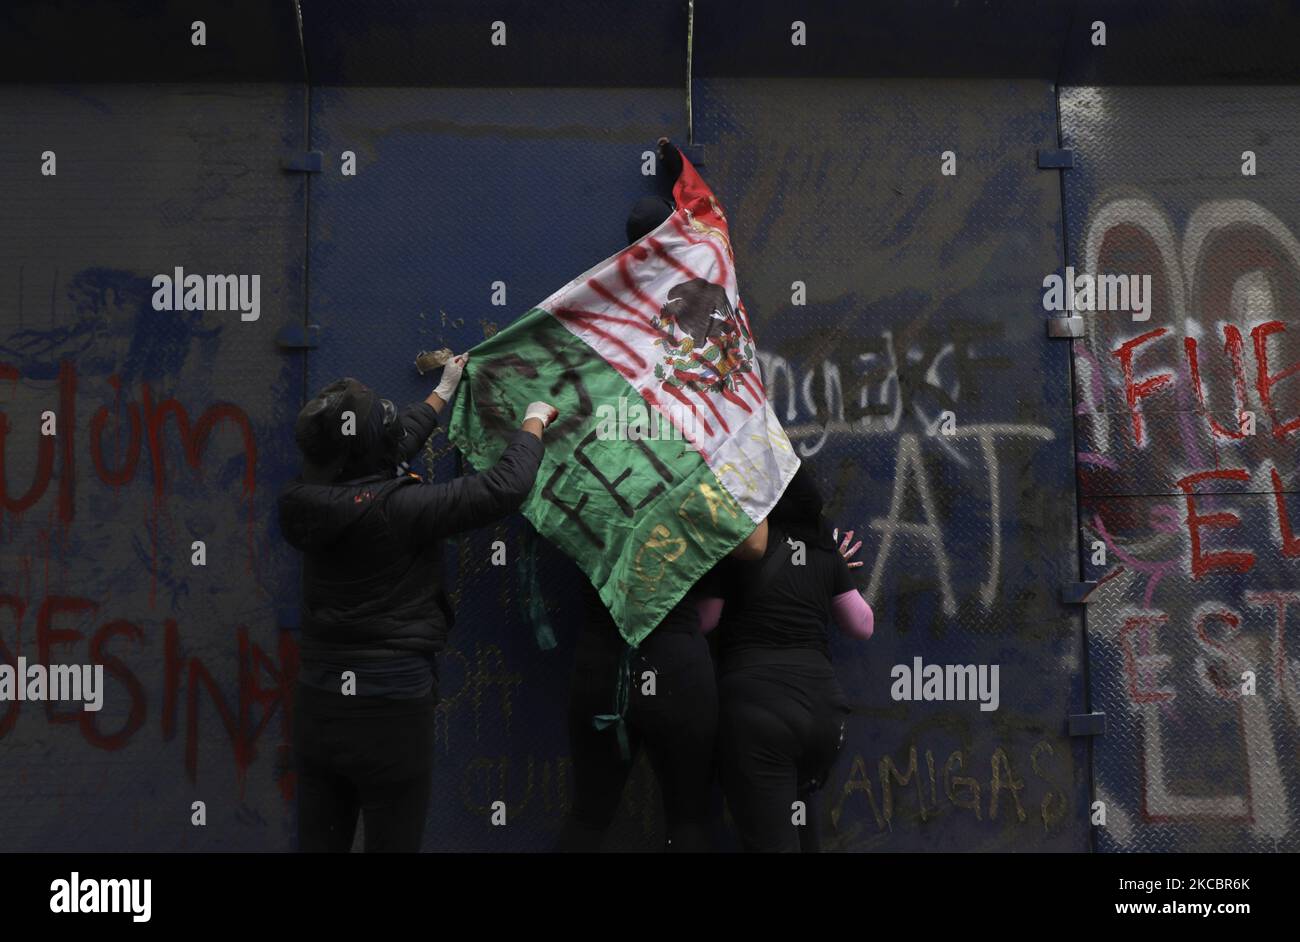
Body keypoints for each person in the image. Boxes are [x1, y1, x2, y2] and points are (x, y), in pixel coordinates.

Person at [556, 139, 767, 852]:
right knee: (688, 821)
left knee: (589, 817)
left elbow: (538, 501)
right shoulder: (703, 397)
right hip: (678, 660)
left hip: (600, 661)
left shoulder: (589, 392)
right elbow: (755, 543)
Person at [278, 355, 558, 852]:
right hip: (390, 713)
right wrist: (534, 421)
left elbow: (382, 451)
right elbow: (503, 488)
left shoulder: (306, 500)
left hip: (319, 707)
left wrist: (442, 393)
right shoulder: (403, 509)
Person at [700, 463, 874, 853]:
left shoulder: (737, 549)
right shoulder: (823, 546)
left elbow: (705, 621)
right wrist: (837, 572)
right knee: (803, 828)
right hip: (823, 717)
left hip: (758, 715)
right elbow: (862, 625)